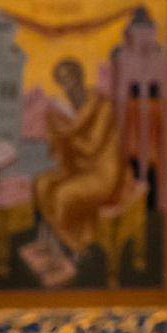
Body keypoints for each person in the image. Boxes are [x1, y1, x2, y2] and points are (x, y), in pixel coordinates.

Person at [32, 59, 128, 265]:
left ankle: (73, 248)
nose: (66, 86)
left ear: (80, 77)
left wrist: (64, 131)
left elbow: (91, 147)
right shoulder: (67, 108)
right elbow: (57, 151)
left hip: (103, 174)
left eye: (69, 79)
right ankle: (53, 244)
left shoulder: (103, 106)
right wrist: (54, 131)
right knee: (41, 183)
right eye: (61, 81)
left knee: (62, 195)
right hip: (76, 169)